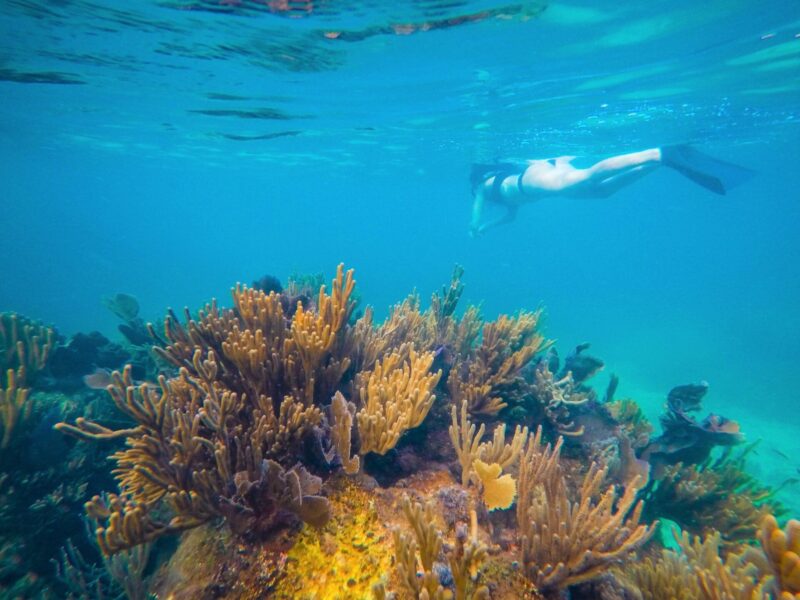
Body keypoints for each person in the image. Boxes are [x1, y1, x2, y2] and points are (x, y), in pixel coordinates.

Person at [469, 145, 754, 235]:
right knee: (599, 191)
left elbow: (476, 209)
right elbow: (510, 218)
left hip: (533, 181)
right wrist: (485, 229)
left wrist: (473, 226)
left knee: (588, 177)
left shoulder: (483, 187)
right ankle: (662, 162)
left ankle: (656, 153)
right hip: (538, 182)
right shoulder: (504, 198)